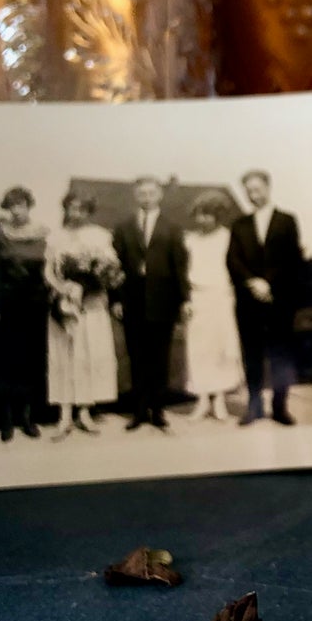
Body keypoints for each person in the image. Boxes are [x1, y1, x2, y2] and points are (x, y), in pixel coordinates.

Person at [226, 169, 305, 426]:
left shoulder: (287, 221)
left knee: (281, 355)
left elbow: (293, 259)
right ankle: (254, 407)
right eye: (248, 190)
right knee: (252, 355)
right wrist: (252, 282)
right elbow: (233, 260)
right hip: (248, 302)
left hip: (278, 300)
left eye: (256, 188)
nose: (252, 194)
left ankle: (280, 407)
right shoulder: (240, 225)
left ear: (268, 188)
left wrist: (268, 283)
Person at [111, 175, 189, 431]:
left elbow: (180, 266)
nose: (146, 197)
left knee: (160, 358)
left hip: (163, 302)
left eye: (151, 193)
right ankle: (139, 410)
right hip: (132, 302)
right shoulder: (123, 228)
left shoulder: (172, 227)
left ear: (159, 195)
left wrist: (184, 299)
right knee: (136, 357)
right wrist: (115, 300)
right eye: (142, 193)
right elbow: (114, 267)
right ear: (136, 196)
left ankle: (158, 410)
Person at [44, 190, 120, 436]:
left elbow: (108, 270)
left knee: (87, 355)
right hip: (64, 305)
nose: (76, 213)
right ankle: (64, 415)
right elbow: (48, 270)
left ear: (88, 211)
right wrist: (62, 288)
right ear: (65, 208)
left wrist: (84, 287)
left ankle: (85, 413)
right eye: (72, 208)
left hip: (91, 306)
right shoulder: (55, 237)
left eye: (82, 209)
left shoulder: (100, 236)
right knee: (63, 357)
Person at [181, 193, 244, 421]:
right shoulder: (189, 240)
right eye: (198, 215)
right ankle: (202, 401)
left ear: (217, 216)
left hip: (221, 297)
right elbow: (182, 273)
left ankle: (219, 400)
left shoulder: (228, 238)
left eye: (207, 214)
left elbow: (236, 269)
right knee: (198, 350)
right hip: (198, 298)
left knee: (221, 349)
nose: (202, 219)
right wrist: (186, 299)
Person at [0, 186, 49, 441]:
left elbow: (49, 271)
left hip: (34, 305)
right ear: (7, 208)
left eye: (22, 205)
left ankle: (27, 417)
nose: (17, 210)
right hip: (7, 305)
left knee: (31, 362)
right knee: (5, 362)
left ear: (30, 206)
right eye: (12, 205)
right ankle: (6, 419)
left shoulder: (42, 233)